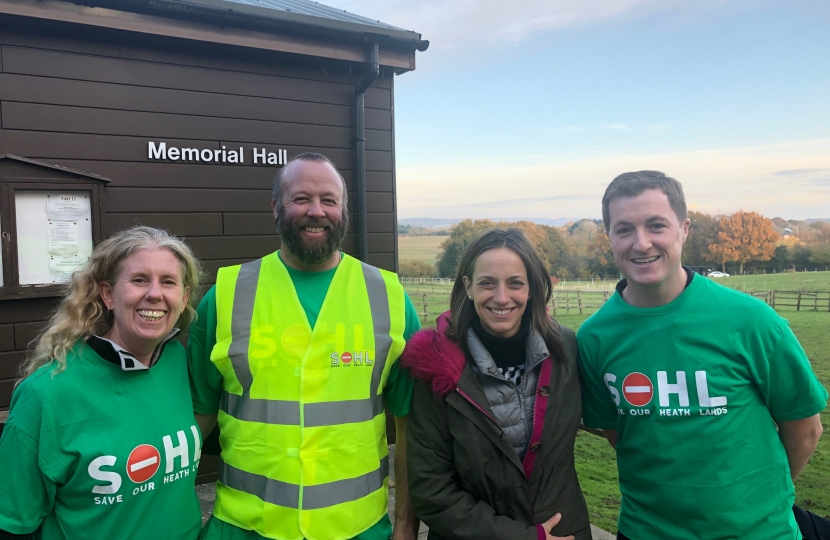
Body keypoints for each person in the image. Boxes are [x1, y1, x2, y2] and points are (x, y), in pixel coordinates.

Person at [578, 171, 828, 540]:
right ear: (610, 238)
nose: (641, 243)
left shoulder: (751, 321)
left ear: (684, 229)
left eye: (656, 225)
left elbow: (805, 429)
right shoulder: (595, 337)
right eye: (625, 229)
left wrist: (759, 502)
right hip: (646, 532)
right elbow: (623, 433)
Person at [188, 152, 422, 540]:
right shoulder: (225, 296)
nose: (317, 211)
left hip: (358, 530)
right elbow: (195, 422)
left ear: (343, 209)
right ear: (276, 208)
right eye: (301, 199)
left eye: (329, 200)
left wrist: (405, 526)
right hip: (242, 528)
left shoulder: (391, 298)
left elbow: (413, 429)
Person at [0, 226, 203, 540]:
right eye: (139, 279)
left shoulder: (177, 360)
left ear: (184, 296)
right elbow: (12, 523)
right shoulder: (46, 393)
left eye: (168, 282)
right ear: (108, 294)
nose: (154, 293)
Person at [402, 228, 591, 540]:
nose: (501, 297)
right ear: (468, 286)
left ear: (531, 288)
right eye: (487, 283)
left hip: (563, 529)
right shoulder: (436, 367)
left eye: (515, 283)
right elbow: (431, 489)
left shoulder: (564, 349)